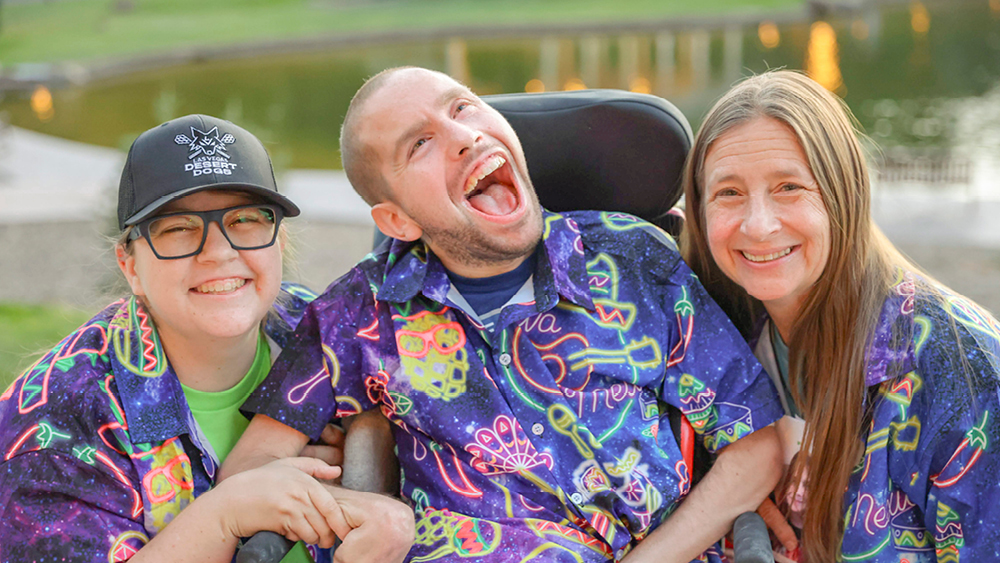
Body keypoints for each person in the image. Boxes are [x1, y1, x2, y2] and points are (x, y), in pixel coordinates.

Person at [222, 66, 784, 563]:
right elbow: (251, 469)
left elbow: (755, 445)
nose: (464, 137)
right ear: (395, 220)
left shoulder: (636, 261)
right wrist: (353, 510)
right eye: (420, 144)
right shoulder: (357, 315)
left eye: (462, 107)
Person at [0, 115, 414, 563]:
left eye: (245, 220)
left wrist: (365, 468)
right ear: (131, 265)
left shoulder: (328, 334)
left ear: (279, 239)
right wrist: (225, 514)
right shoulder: (53, 418)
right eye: (179, 228)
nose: (218, 252)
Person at [680, 70, 1000, 562]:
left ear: (843, 194)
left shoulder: (961, 367)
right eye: (729, 193)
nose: (758, 224)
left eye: (789, 187)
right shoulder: (694, 336)